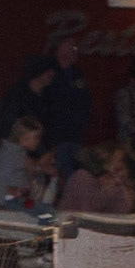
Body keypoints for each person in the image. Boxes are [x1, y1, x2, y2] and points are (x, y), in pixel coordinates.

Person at [0, 115, 56, 212]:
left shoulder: (20, 156)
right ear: (24, 138)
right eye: (36, 137)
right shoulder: (10, 156)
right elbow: (0, 179)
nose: (38, 141)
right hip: (7, 207)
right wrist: (0, 205)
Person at [45, 36, 92, 176]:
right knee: (57, 176)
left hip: (76, 136)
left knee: (74, 176)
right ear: (60, 48)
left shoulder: (77, 74)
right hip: (56, 137)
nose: (75, 50)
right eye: (71, 47)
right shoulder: (49, 72)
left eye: (75, 47)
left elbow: (85, 100)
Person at [0, 54, 57, 141]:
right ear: (39, 71)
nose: (52, 73)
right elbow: (8, 122)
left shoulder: (47, 97)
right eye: (49, 70)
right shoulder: (18, 94)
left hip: (35, 147)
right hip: (16, 146)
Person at [60, 144, 134, 214]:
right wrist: (109, 190)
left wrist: (119, 190)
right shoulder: (82, 177)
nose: (123, 172)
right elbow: (87, 212)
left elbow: (119, 215)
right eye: (118, 168)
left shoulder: (119, 190)